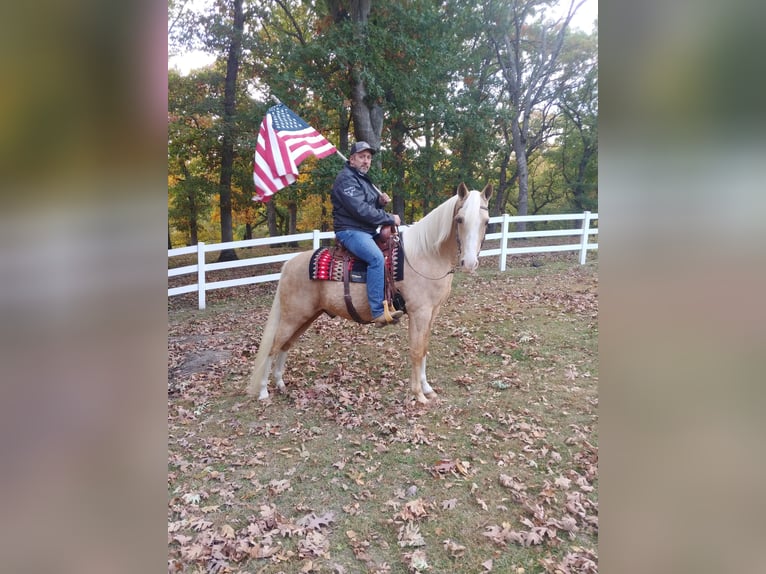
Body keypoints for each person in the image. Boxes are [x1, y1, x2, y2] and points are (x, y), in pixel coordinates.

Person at [331, 141, 404, 327]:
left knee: (394, 252)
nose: (366, 161)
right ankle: (378, 312)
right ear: (352, 159)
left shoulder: (363, 179)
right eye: (362, 157)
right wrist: (388, 217)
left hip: (365, 230)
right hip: (350, 230)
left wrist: (379, 203)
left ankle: (393, 299)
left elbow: (367, 206)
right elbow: (359, 210)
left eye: (369, 157)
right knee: (376, 258)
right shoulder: (346, 179)